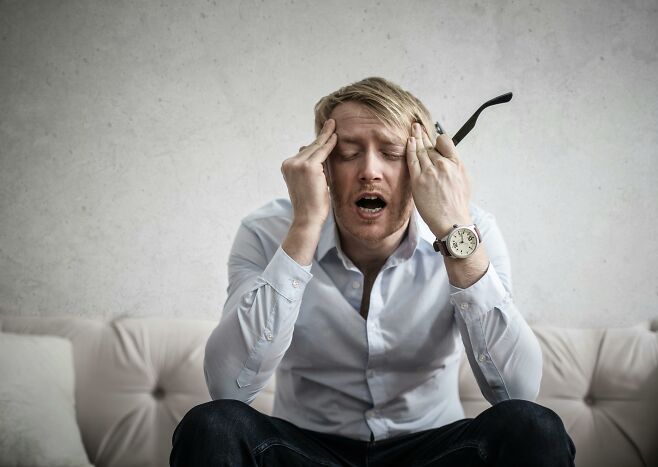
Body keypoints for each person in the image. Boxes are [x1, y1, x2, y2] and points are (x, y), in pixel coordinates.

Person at [171, 77, 575, 466]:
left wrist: (456, 232)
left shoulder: (472, 232)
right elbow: (227, 388)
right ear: (323, 168)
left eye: (393, 153)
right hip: (306, 451)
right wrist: (304, 227)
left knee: (533, 427)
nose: (369, 171)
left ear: (423, 167)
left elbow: (518, 392)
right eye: (347, 153)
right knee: (212, 426)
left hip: (432, 452)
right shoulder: (265, 232)